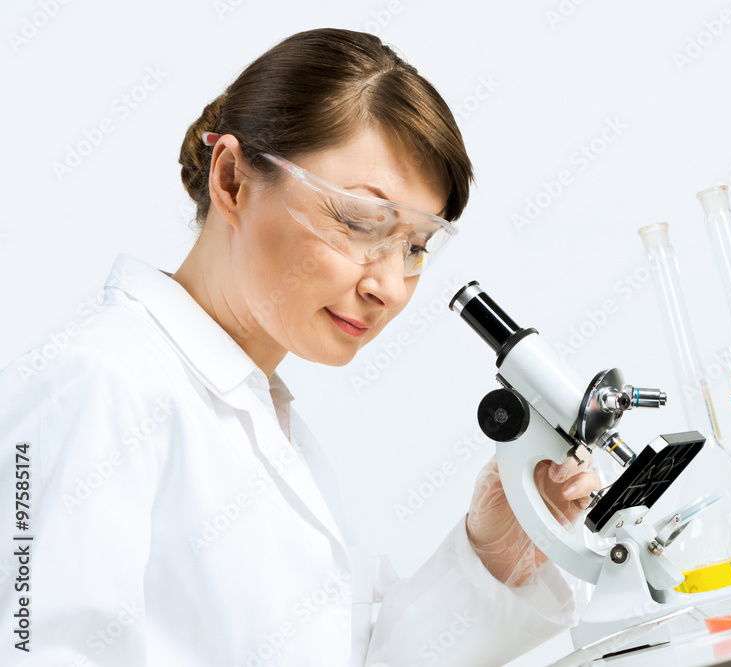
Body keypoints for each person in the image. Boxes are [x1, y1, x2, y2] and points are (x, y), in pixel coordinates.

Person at [0, 28, 599, 666]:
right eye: (361, 223)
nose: (391, 287)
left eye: (416, 247)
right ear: (231, 180)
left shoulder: (266, 422)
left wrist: (495, 554)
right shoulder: (97, 382)